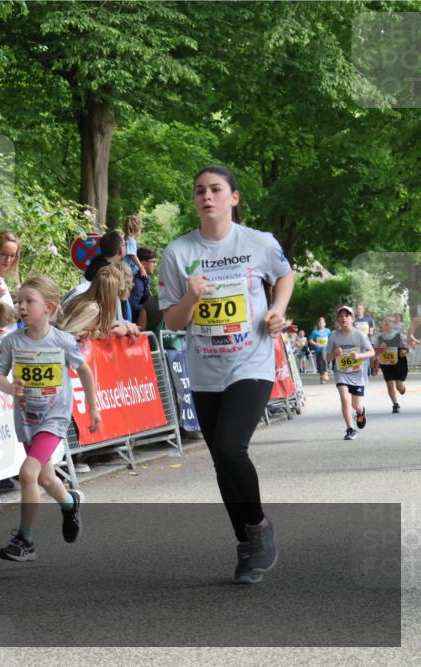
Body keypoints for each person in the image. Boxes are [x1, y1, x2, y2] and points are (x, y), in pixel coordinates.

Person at [159, 164, 294, 585]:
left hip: (251, 362)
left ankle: (258, 526)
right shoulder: (177, 253)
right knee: (220, 460)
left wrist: (277, 310)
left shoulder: (258, 243)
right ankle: (245, 543)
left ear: (233, 198)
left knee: (232, 448)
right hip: (204, 370)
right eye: (200, 190)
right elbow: (173, 324)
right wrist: (191, 297)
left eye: (216, 189)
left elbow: (285, 275)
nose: (207, 196)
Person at [0, 277, 101, 562]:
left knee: (28, 473)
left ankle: (25, 540)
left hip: (55, 417)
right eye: (19, 301)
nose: (22, 306)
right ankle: (69, 503)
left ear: (50, 307)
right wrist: (8, 387)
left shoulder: (62, 341)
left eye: (29, 301)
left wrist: (93, 409)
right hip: (27, 419)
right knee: (45, 477)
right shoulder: (12, 341)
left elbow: (85, 371)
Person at [325, 305, 375, 439]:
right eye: (340, 316)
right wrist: (335, 354)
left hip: (357, 372)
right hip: (341, 371)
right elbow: (327, 357)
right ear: (337, 319)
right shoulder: (333, 336)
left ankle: (360, 411)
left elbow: (372, 352)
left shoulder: (359, 334)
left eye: (346, 316)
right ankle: (350, 429)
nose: (343, 318)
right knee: (344, 398)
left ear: (352, 319)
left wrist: (359, 356)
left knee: (355, 404)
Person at [374, 314, 408, 413]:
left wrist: (405, 351)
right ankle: (395, 404)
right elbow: (375, 352)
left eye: (390, 321)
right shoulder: (379, 337)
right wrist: (380, 349)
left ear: (394, 324)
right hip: (386, 363)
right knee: (389, 384)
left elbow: (407, 347)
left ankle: (402, 388)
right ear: (382, 324)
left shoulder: (399, 335)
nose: (387, 323)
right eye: (385, 321)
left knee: (399, 387)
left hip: (399, 363)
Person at [308, 316, 331, 383]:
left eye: (323, 322)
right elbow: (310, 340)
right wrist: (316, 344)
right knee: (319, 363)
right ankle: (322, 377)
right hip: (318, 349)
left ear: (325, 323)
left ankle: (326, 373)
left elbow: (331, 338)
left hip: (325, 348)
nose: (321, 324)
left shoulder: (328, 330)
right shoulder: (315, 332)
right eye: (320, 322)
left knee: (324, 358)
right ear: (318, 324)